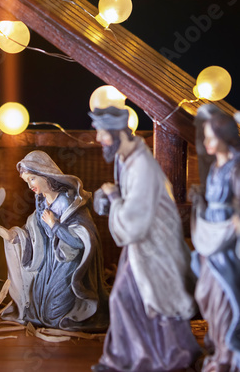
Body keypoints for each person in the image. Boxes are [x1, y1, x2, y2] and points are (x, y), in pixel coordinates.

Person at [90, 106, 200, 372]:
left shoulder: (142, 165)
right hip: (139, 246)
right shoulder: (125, 159)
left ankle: (177, 355)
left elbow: (135, 221)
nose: (97, 140)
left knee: (158, 298)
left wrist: (115, 199)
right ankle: (122, 357)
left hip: (154, 244)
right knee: (125, 299)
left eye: (102, 133)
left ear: (117, 133)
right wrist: (111, 197)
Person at [0, 150, 108, 331]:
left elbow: (81, 240)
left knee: (54, 314)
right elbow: (33, 230)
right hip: (47, 262)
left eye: (32, 179)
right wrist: (15, 236)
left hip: (67, 262)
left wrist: (55, 226)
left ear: (45, 175)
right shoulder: (41, 202)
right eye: (26, 181)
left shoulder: (70, 203)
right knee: (38, 311)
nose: (30, 185)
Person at [191, 105, 240, 372]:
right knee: (205, 293)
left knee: (225, 296)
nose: (206, 142)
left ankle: (230, 354)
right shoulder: (217, 168)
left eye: (211, 137)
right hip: (211, 238)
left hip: (228, 242)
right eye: (204, 137)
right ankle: (218, 345)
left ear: (224, 138)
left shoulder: (237, 169)